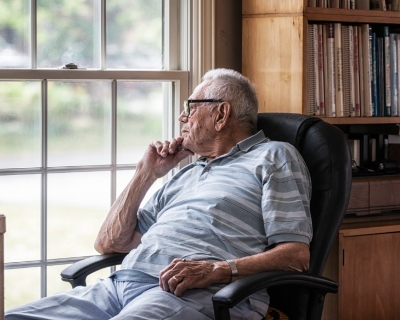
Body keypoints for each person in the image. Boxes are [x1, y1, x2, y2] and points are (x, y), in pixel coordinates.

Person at [6, 68, 312, 320]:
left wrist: (216, 270)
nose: (181, 118)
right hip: (118, 287)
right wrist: (146, 173)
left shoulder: (274, 156)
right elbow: (111, 243)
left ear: (221, 114)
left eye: (189, 108)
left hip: (194, 295)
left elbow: (296, 256)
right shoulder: (186, 173)